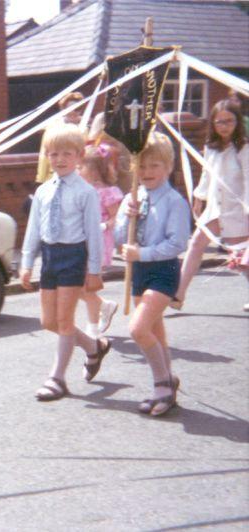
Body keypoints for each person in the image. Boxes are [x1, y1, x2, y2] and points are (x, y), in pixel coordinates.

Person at [20, 124, 111, 401]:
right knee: (48, 321)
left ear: (79, 156)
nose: (60, 159)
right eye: (54, 153)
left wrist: (94, 271)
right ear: (47, 156)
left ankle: (57, 378)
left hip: (73, 256)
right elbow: (33, 229)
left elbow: (94, 234)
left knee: (64, 320)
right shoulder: (44, 192)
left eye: (67, 154)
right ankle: (94, 347)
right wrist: (26, 263)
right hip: (50, 257)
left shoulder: (85, 192)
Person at [115, 132, 191, 417]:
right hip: (140, 272)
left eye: (154, 166)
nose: (147, 172)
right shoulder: (132, 198)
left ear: (168, 166)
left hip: (164, 270)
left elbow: (177, 243)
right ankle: (168, 381)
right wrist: (126, 215)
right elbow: (121, 239)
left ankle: (161, 386)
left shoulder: (174, 201)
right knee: (156, 333)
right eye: (142, 166)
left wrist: (142, 254)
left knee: (138, 329)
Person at [172, 99, 249, 309]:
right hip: (215, 209)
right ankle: (179, 294)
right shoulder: (210, 147)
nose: (224, 126)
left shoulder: (244, 147)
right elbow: (207, 174)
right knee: (196, 243)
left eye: (229, 121)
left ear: (237, 121)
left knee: (241, 258)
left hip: (237, 210)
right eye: (219, 122)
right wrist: (199, 197)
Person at [78, 144, 123, 337]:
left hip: (97, 243)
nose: (78, 170)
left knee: (86, 285)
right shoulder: (80, 191)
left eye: (81, 167)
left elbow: (116, 218)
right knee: (75, 285)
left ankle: (93, 326)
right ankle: (104, 306)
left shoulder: (107, 192)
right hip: (81, 241)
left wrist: (103, 226)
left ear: (95, 170)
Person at [35, 91, 86, 185]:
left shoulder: (85, 129)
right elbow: (44, 154)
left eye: (77, 108)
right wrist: (41, 178)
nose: (73, 112)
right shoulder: (52, 128)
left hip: (79, 177)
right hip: (54, 176)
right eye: (69, 108)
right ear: (63, 109)